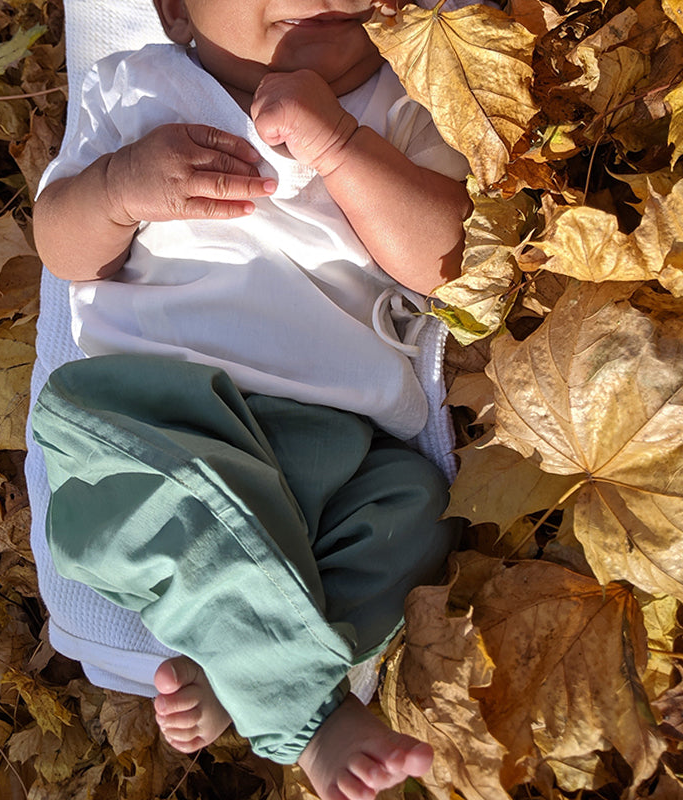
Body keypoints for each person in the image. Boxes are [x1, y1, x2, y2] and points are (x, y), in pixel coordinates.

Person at [30, 0, 471, 798]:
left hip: (338, 442)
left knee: (417, 511)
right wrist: (117, 189)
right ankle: (309, 716)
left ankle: (236, 655)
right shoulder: (135, 90)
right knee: (183, 511)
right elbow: (62, 250)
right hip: (152, 416)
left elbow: (441, 262)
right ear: (174, 11)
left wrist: (341, 144)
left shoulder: (404, 100)